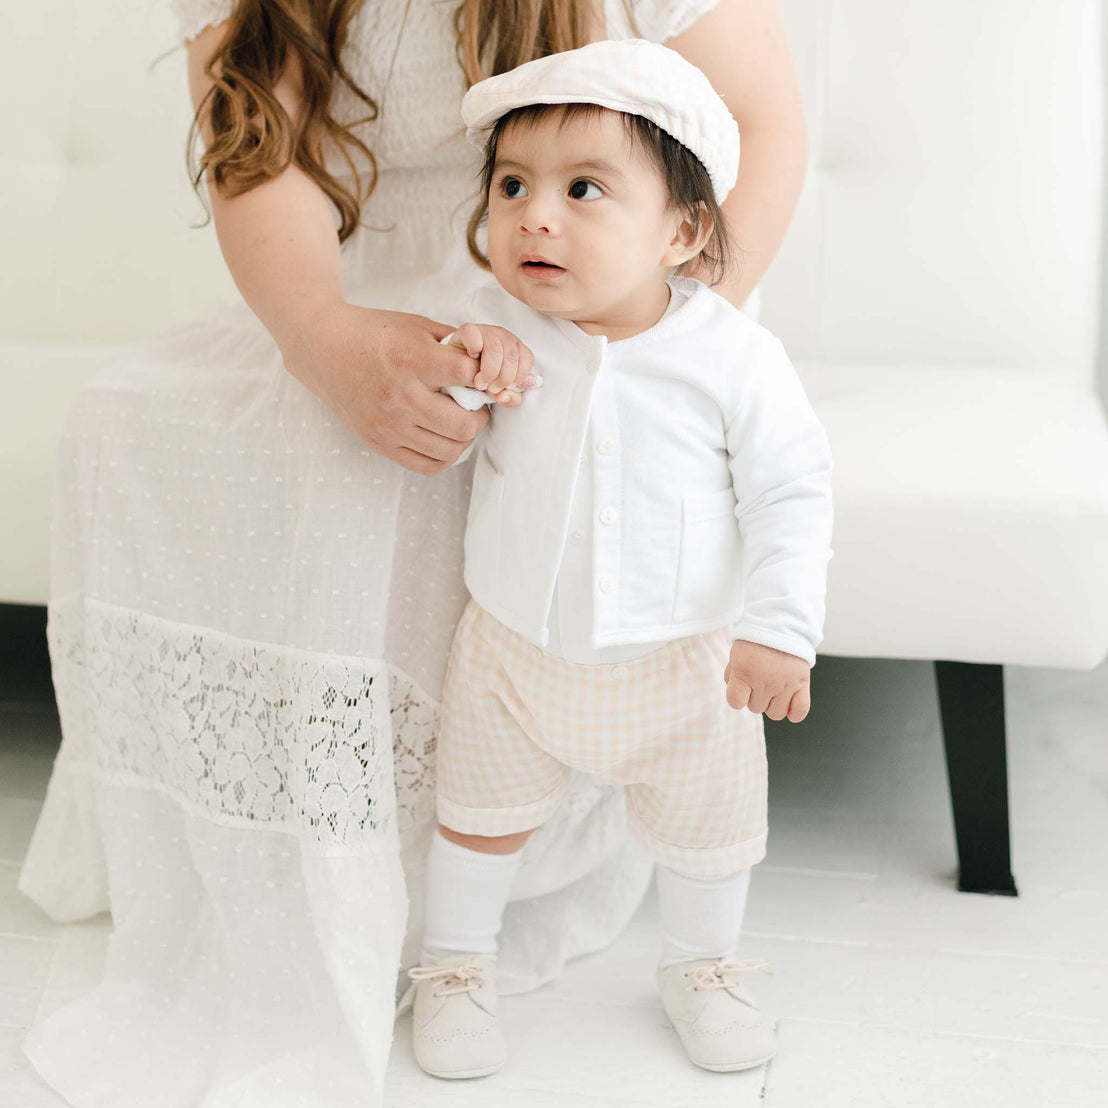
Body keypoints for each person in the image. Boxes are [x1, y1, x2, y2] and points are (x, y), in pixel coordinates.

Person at [17, 2, 810, 1105]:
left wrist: (656, 352)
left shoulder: (675, 315)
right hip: (349, 290)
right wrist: (322, 339)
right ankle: (339, 886)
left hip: (620, 302)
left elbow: (763, 124)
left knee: (435, 473)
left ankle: (607, 931)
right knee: (140, 422)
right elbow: (261, 153)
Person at [402, 39, 833, 1080]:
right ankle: (455, 968)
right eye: (512, 186)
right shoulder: (500, 326)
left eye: (582, 188)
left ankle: (701, 966)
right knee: (476, 818)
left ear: (680, 232)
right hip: (514, 651)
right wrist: (460, 365)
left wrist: (779, 629)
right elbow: (441, 403)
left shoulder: (728, 354)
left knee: (708, 831)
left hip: (687, 665)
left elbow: (790, 489)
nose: (534, 215)